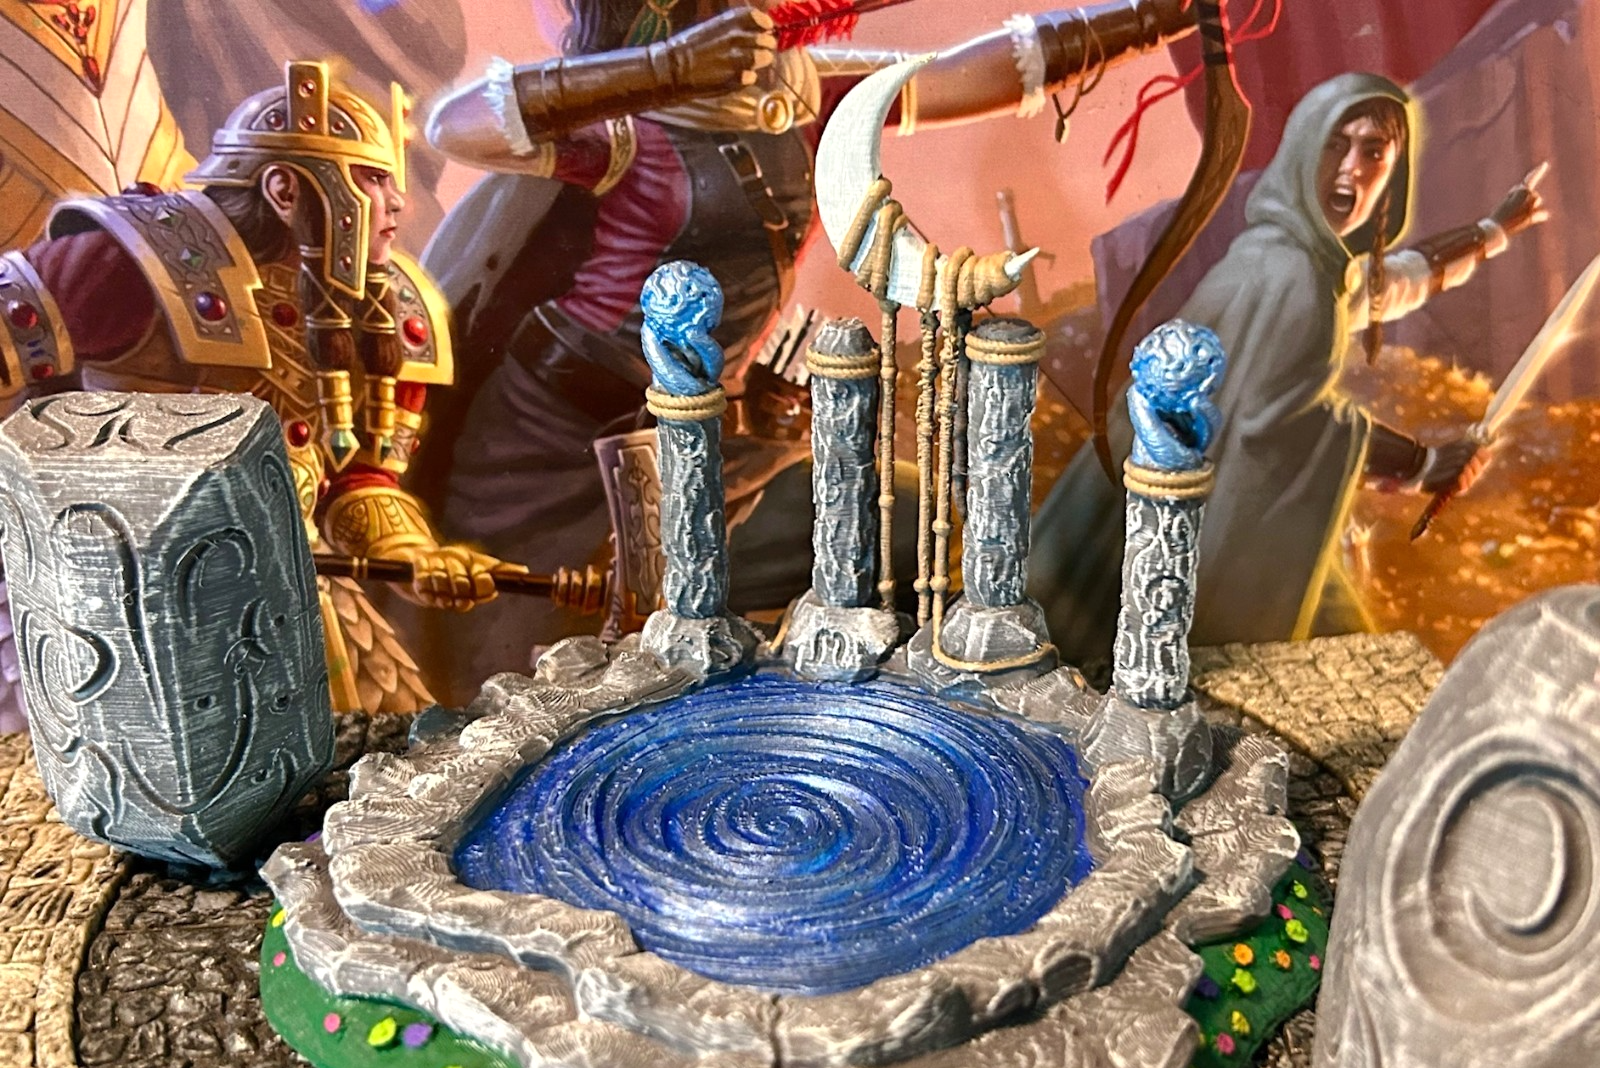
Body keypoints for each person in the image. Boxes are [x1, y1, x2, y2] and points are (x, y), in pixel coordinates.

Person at [412, 0, 1207, 704]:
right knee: (523, 680)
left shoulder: (803, 93)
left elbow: (974, 71)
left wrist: (1150, 18)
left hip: (709, 450)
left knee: (899, 533)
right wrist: (667, 70)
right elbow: (456, 124)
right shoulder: (620, 114)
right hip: (549, 450)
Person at [0, 60, 513, 714]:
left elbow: (360, 478)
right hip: (112, 617)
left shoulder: (383, 309)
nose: (395, 202)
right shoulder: (132, 259)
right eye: (372, 178)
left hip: (294, 599)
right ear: (285, 189)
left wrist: (410, 554)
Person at [1029, 72, 1548, 663]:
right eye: (1336, 144)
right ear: (1303, 149)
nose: (1352, 169)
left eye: (1374, 152)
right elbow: (1285, 425)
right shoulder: (1293, 275)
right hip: (1198, 528)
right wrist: (1421, 462)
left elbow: (1384, 285)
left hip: (1207, 512)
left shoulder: (1295, 257)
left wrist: (1491, 232)